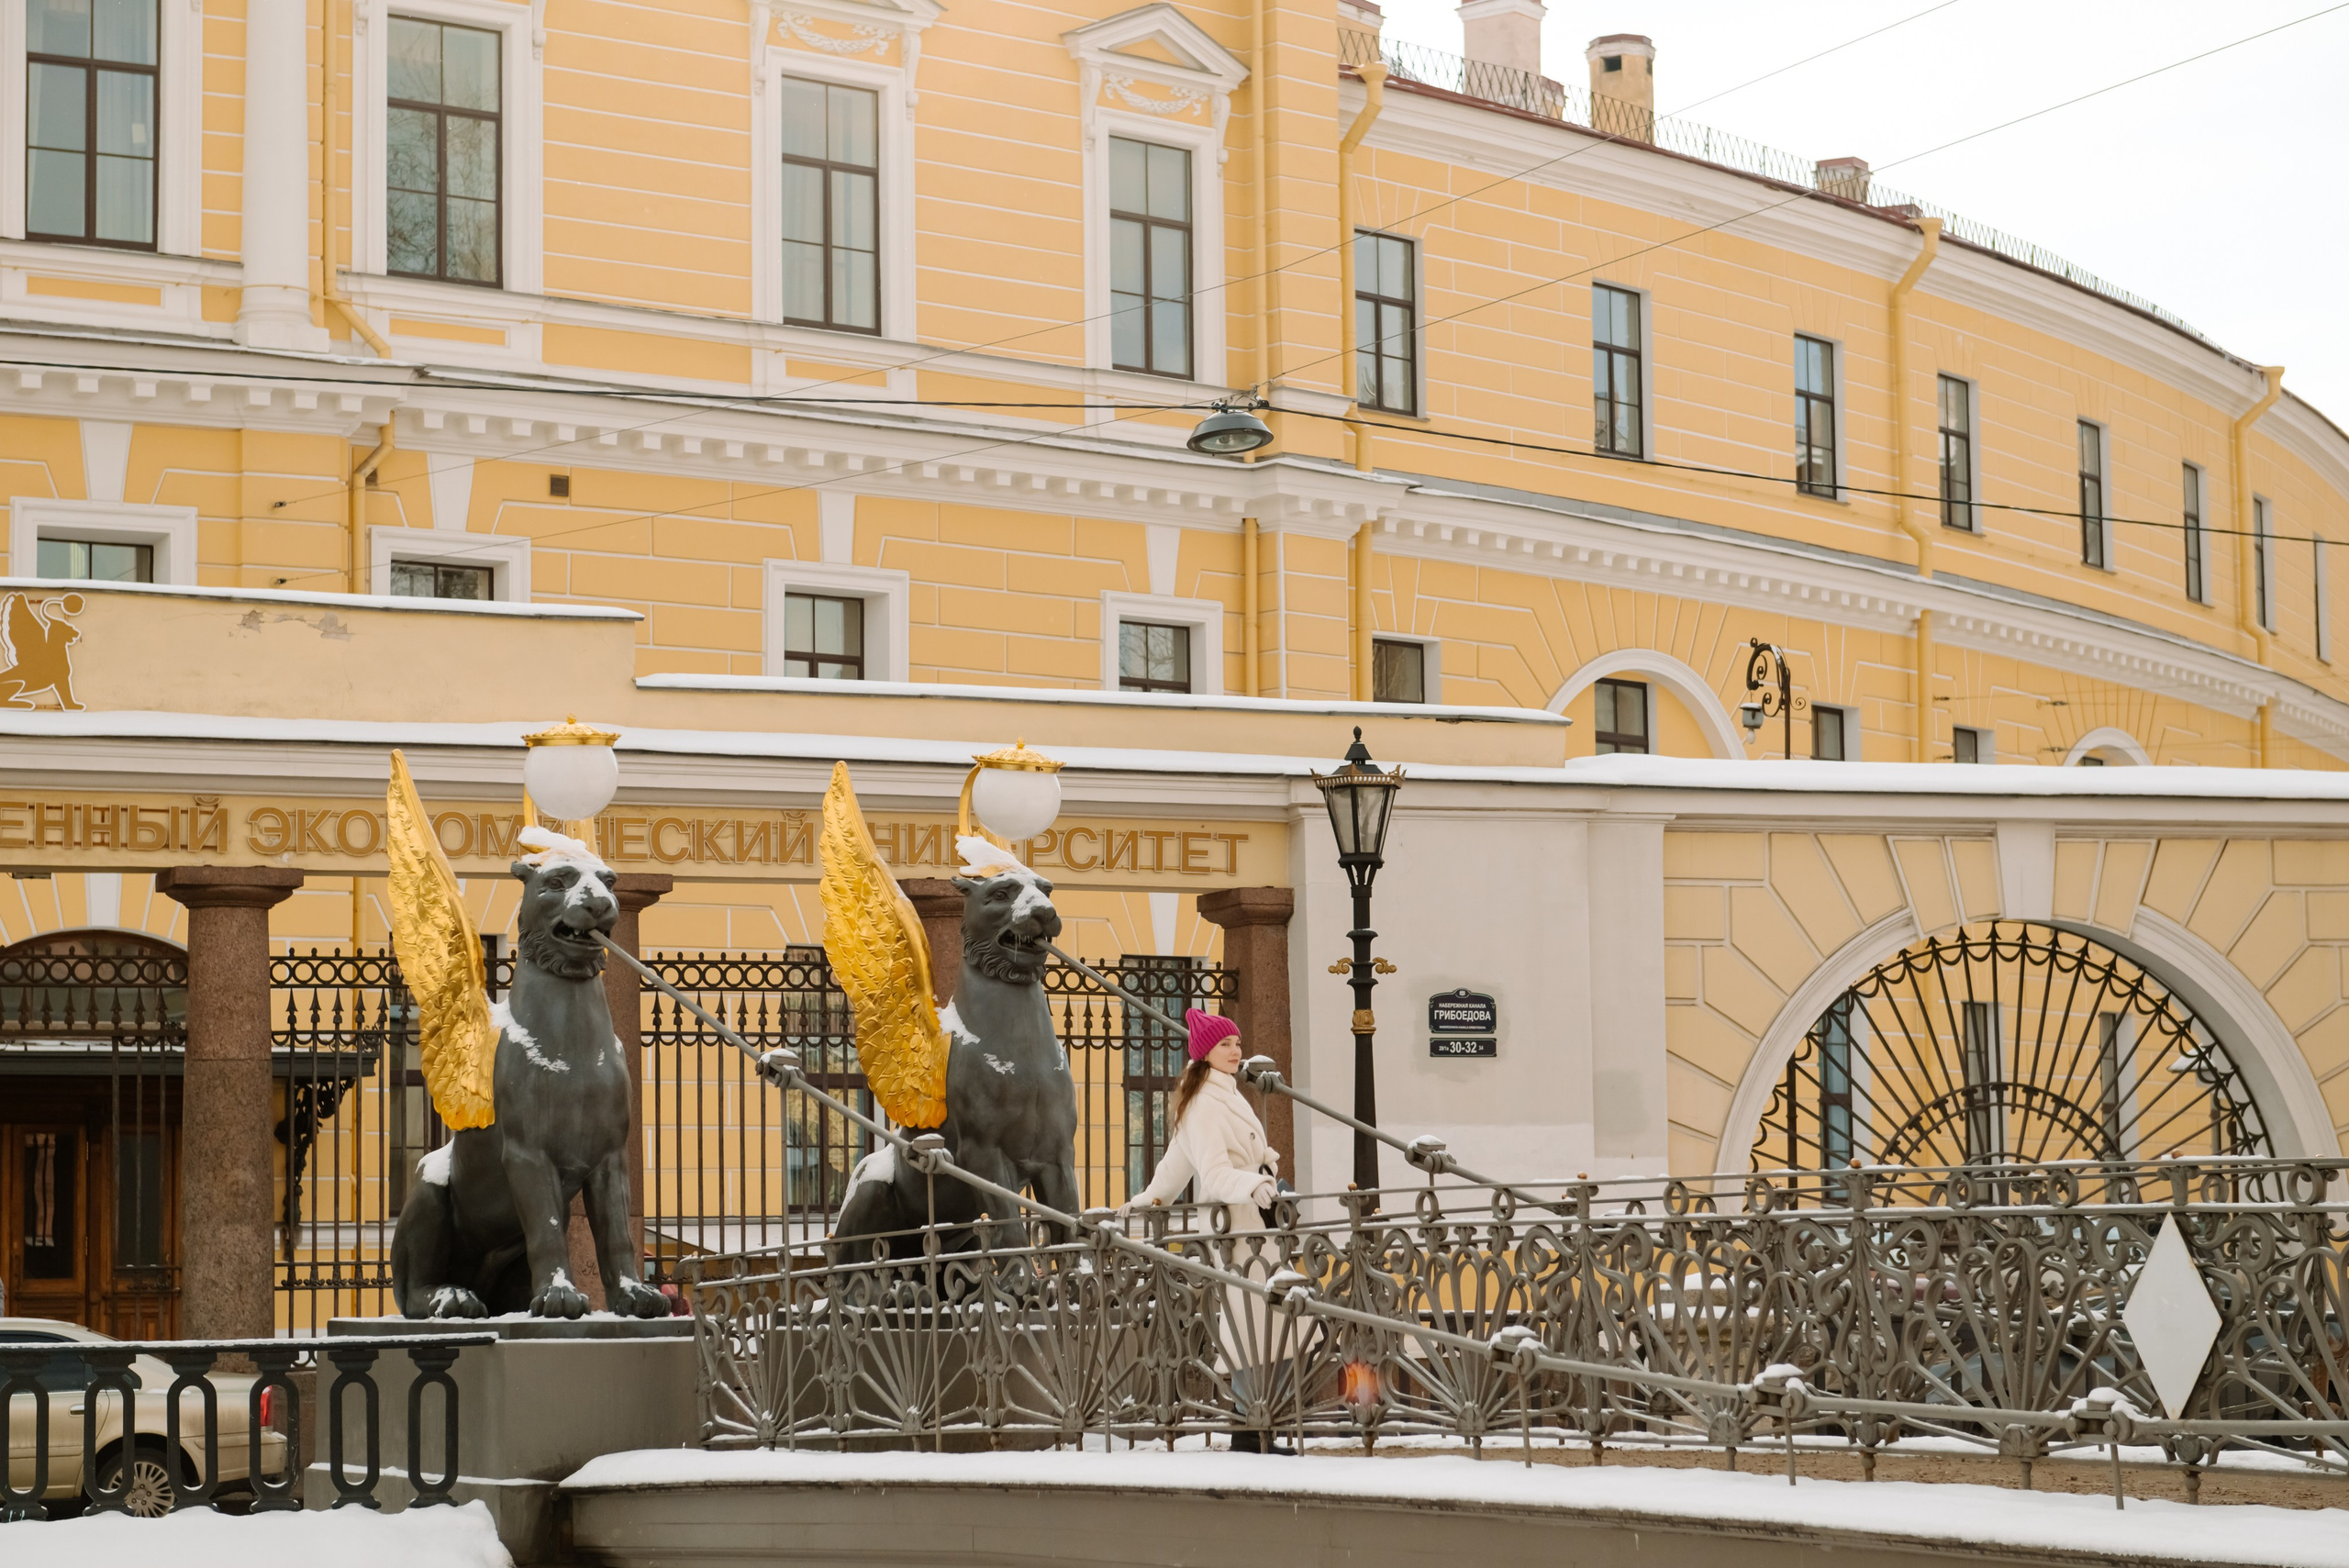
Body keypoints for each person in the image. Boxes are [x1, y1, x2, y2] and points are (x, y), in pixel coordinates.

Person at [1129, 1008, 1288, 1452]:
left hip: (1258, 1225)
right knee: (1253, 1324)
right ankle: (1250, 1427)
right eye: (1226, 1045)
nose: (1237, 1051)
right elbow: (1215, 1175)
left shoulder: (1223, 1095)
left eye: (1237, 1043)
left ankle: (1257, 1423)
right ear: (1205, 1053)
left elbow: (1175, 1165)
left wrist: (1152, 1196)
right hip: (1236, 1229)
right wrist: (1254, 1181)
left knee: (1272, 1320)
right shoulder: (1204, 1105)